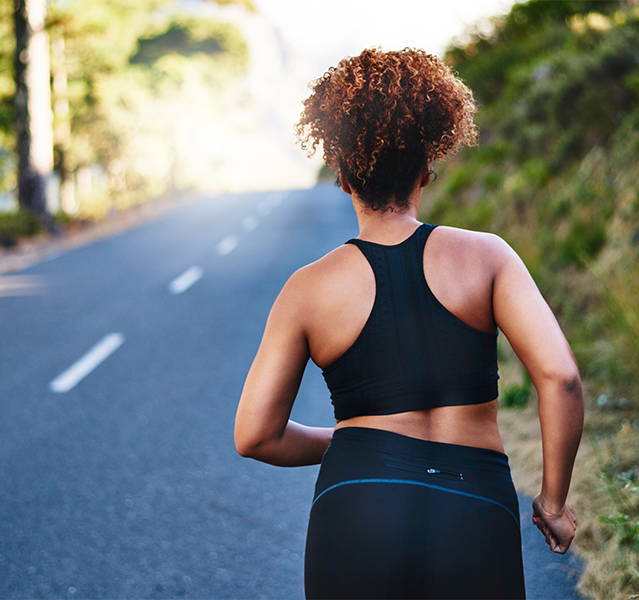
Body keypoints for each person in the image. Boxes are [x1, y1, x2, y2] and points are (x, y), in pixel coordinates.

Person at [234, 47, 584, 599]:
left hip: (356, 505)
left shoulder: (307, 289)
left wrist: (351, 440)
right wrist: (552, 502)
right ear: (428, 167)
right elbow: (560, 378)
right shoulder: (489, 257)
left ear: (344, 176)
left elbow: (255, 435)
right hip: (474, 510)